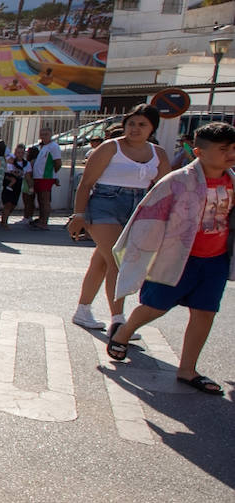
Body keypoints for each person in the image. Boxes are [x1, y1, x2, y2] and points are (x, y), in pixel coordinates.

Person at [108, 121, 235, 395]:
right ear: (199, 151)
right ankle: (124, 331)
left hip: (215, 260)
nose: (230, 154)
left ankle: (188, 370)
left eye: (233, 148)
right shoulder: (177, 181)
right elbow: (147, 218)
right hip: (176, 257)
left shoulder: (233, 180)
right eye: (224, 149)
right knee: (155, 306)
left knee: (205, 312)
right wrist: (140, 254)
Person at [69, 104, 169, 335]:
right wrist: (79, 215)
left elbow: (165, 189)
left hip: (138, 210)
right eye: (131, 123)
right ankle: (119, 321)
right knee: (117, 260)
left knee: (102, 261)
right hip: (105, 204)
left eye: (142, 124)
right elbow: (85, 184)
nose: (135, 128)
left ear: (152, 128)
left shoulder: (158, 153)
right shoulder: (110, 148)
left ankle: (83, 311)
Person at [31, 127, 64, 229]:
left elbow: (58, 163)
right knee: (40, 199)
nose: (43, 136)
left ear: (51, 135)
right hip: (39, 177)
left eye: (46, 134)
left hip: (46, 177)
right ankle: (41, 219)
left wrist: (52, 174)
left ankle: (44, 222)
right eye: (42, 134)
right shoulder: (44, 146)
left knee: (45, 200)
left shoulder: (53, 146)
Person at [0, 143, 27, 229]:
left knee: (13, 204)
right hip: (8, 182)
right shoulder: (10, 160)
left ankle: (4, 218)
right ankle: (4, 222)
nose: (19, 154)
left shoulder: (26, 164)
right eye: (18, 152)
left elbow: (28, 175)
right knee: (8, 203)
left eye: (21, 153)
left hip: (18, 184)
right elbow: (7, 170)